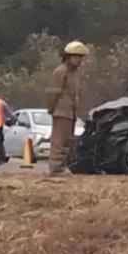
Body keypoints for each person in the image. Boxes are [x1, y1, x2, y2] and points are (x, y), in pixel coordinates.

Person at [46, 40, 90, 175]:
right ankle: (56, 167)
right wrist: (52, 108)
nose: (80, 60)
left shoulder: (74, 73)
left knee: (67, 140)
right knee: (60, 140)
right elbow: (53, 92)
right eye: (77, 57)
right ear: (68, 57)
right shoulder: (61, 71)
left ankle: (62, 165)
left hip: (70, 111)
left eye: (81, 57)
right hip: (61, 110)